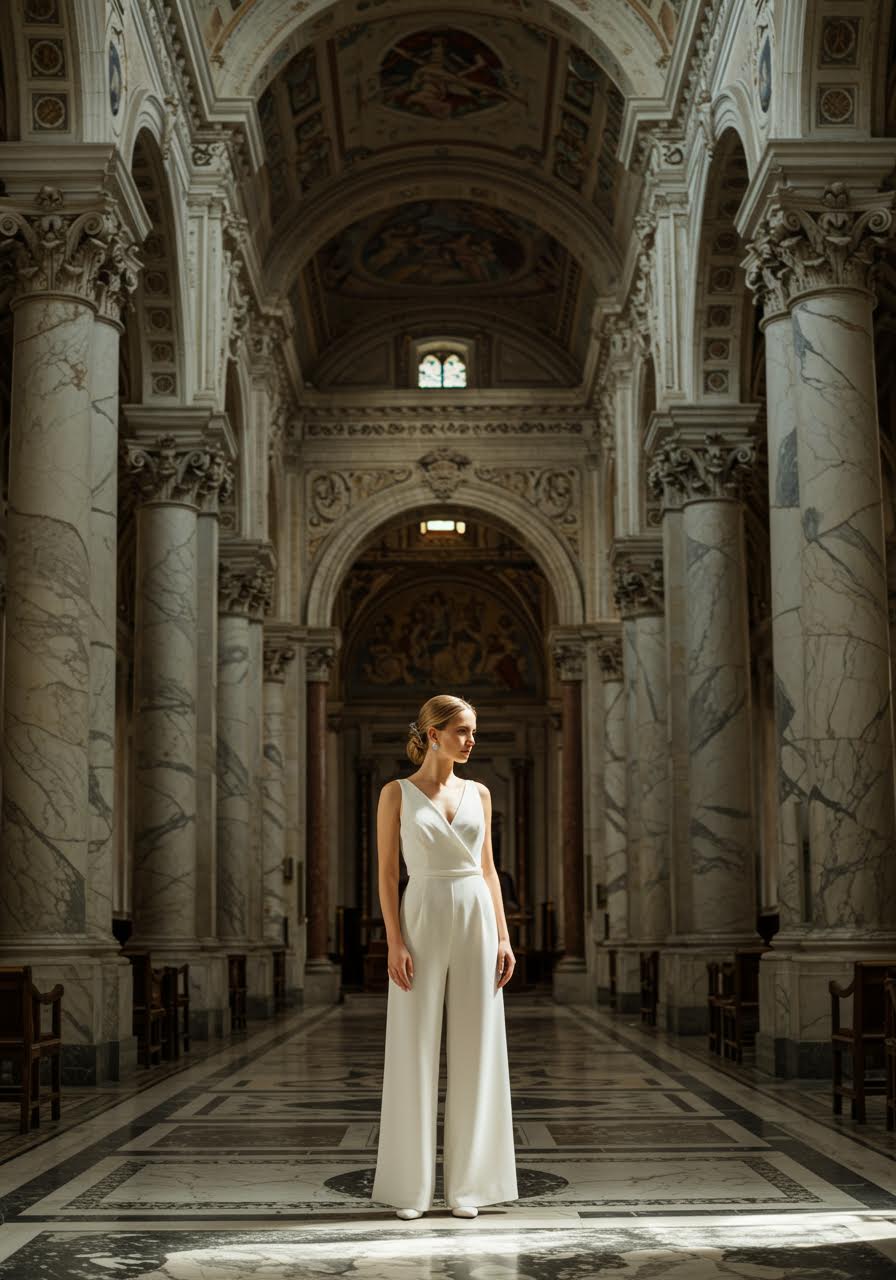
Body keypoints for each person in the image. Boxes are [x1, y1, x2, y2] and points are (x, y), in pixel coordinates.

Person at [371, 694, 519, 1219]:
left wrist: (503, 937)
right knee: (413, 1045)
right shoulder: (396, 793)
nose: (472, 740)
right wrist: (394, 940)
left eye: (473, 731)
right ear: (433, 734)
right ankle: (410, 1190)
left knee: (479, 1046)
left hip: (477, 916)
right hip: (422, 913)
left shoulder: (480, 792)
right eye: (462, 731)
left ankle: (469, 1189)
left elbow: (488, 869)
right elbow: (388, 873)